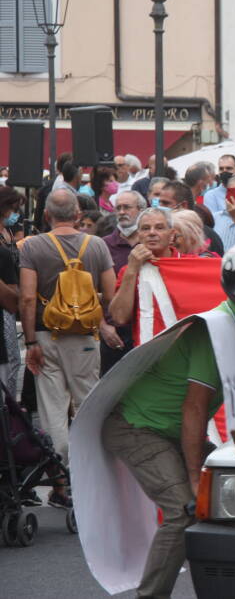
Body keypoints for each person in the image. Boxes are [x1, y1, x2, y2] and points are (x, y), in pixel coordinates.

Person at [100, 225, 235, 598]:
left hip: (169, 427)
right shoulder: (218, 330)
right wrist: (195, 478)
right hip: (138, 426)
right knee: (181, 510)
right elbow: (194, 410)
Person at [18, 189, 116, 473]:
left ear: (47, 215)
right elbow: (110, 295)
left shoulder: (32, 246)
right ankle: (91, 472)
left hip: (47, 335)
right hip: (85, 336)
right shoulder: (96, 245)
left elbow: (26, 297)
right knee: (87, 403)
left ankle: (60, 475)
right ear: (77, 215)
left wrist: (31, 340)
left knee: (52, 408)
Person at [109, 208, 180, 334]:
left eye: (159, 228)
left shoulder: (186, 264)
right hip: (147, 346)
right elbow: (119, 317)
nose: (152, 233)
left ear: (172, 234)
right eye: (145, 228)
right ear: (138, 235)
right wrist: (132, 270)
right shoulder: (128, 270)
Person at [99, 190, 147, 374]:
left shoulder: (151, 245)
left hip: (144, 328)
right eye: (118, 208)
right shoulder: (103, 245)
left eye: (127, 207)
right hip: (115, 332)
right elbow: (90, 291)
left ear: (141, 210)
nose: (121, 212)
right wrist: (103, 327)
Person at [0, 187, 24, 401]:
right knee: (8, 359)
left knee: (13, 360)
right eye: (14, 209)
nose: (16, 214)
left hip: (12, 296)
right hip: (6, 303)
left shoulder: (8, 232)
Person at [160, 180, 225, 256]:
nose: (160, 207)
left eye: (165, 203)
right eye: (159, 202)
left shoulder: (208, 236)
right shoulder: (161, 231)